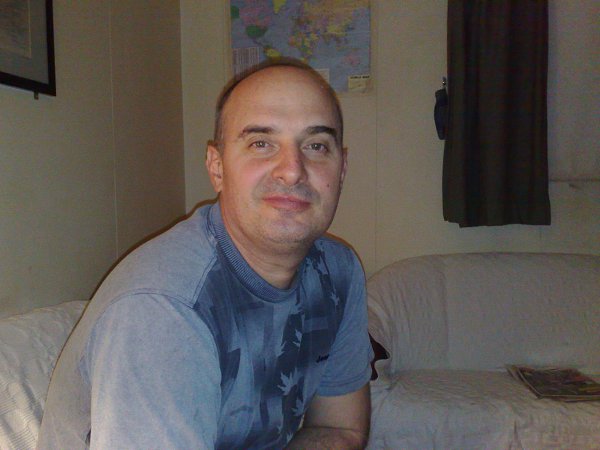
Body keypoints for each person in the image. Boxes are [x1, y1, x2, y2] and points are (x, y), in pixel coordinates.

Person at [38, 59, 373, 449]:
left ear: (342, 169)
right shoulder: (162, 311)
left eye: (316, 146)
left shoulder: (338, 271)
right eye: (261, 143)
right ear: (217, 167)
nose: (292, 170)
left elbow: (340, 429)